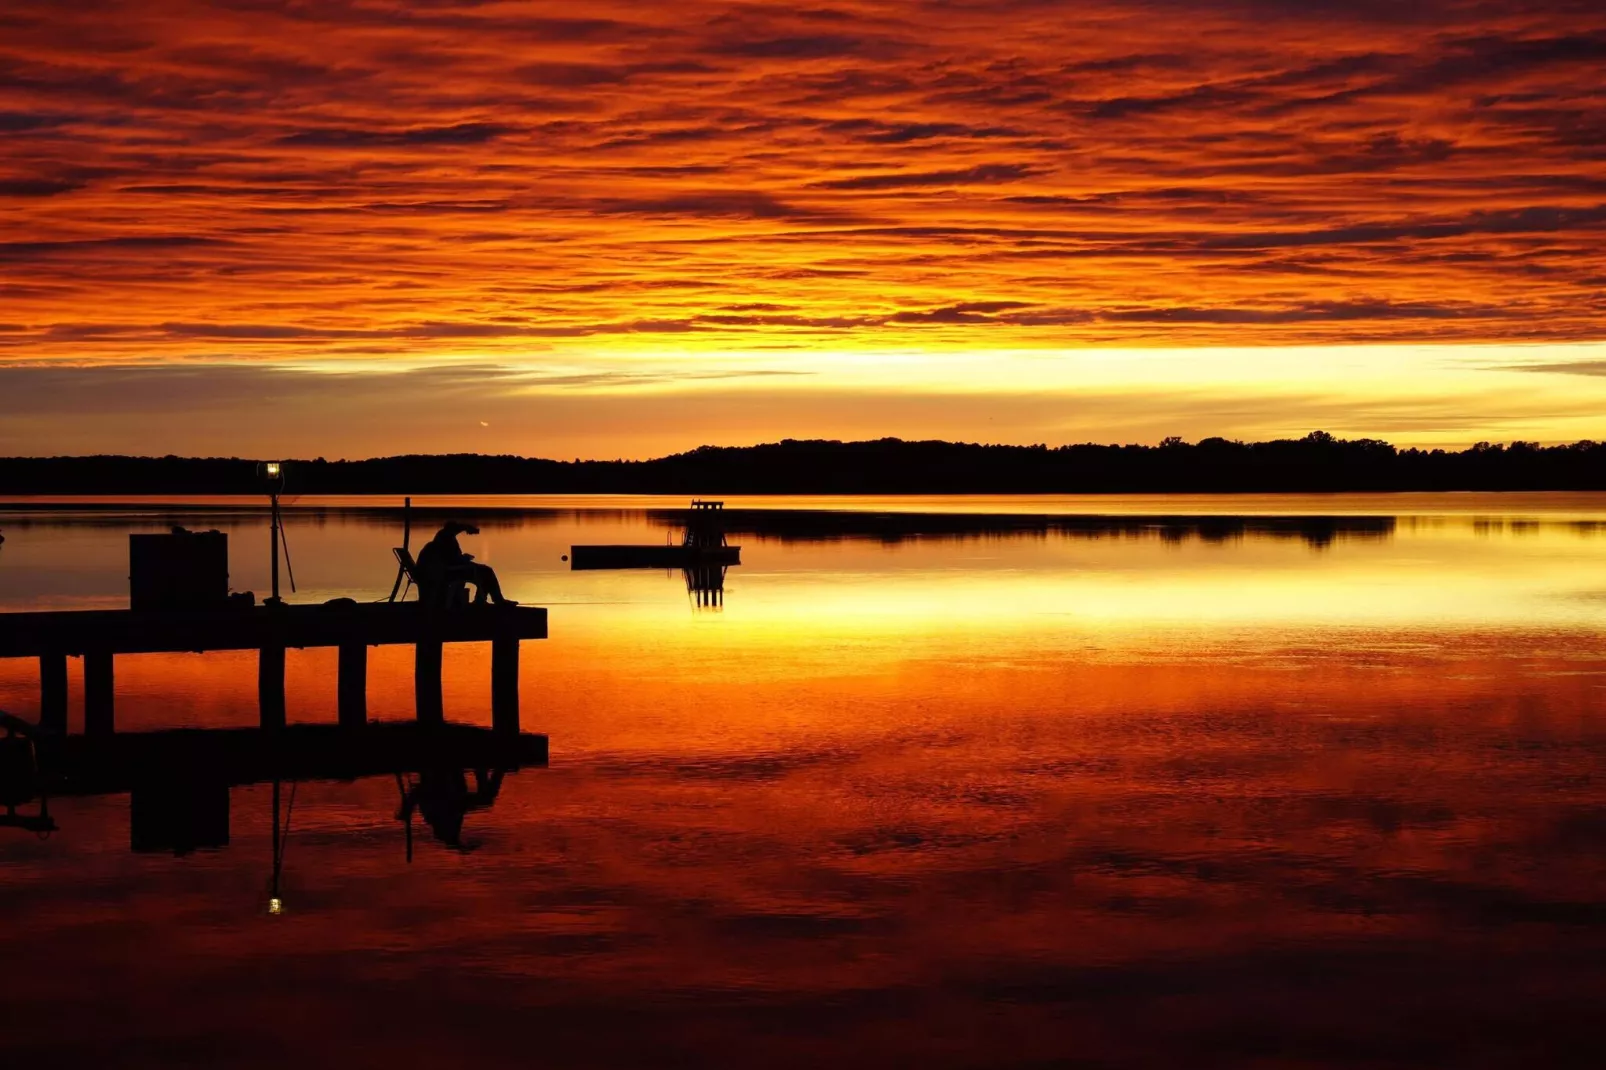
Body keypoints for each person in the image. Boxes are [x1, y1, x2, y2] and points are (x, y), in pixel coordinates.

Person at [414, 521, 516, 606]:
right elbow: (452, 561)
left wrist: (462, 558)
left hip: (444, 571)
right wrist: (464, 559)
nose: (458, 532)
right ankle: (495, 600)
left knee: (483, 570)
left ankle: (481, 600)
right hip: (448, 573)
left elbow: (449, 558)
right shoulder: (445, 539)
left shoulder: (440, 539)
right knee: (486, 571)